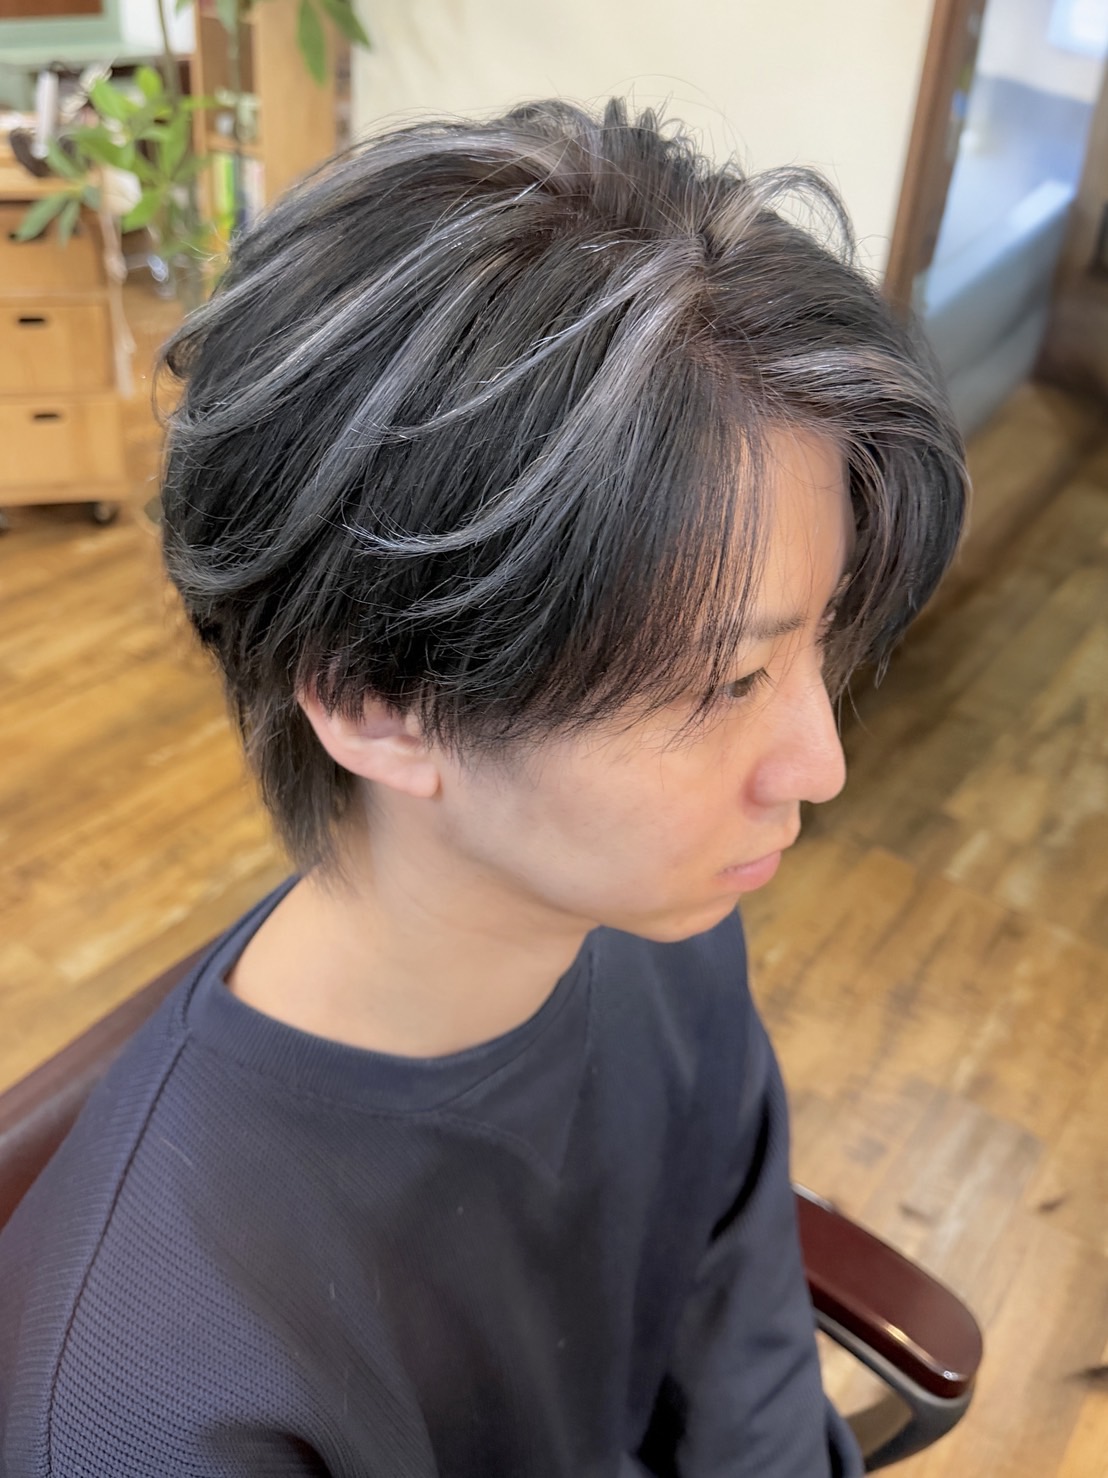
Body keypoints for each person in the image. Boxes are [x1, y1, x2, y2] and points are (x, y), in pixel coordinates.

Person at [0, 98, 966, 1476]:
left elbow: (745, 1363)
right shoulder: (142, 1404)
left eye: (818, 640)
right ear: (376, 702)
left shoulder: (667, 935)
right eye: (727, 681)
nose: (822, 764)